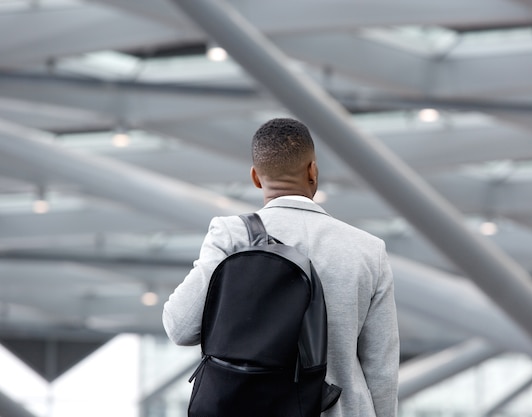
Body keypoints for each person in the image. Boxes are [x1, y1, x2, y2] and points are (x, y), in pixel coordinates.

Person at [163, 117, 399, 417]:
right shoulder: (368, 249)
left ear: (256, 177)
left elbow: (180, 327)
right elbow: (381, 371)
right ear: (313, 171)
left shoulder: (232, 235)